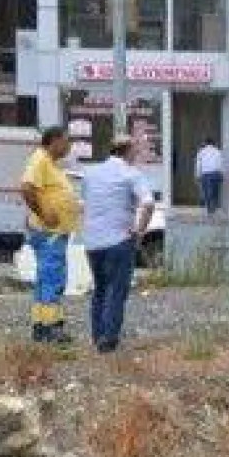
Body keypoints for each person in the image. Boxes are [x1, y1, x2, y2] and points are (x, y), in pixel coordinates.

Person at [79, 135, 156, 354]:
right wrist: (140, 230)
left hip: (93, 241)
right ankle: (109, 338)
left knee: (100, 288)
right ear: (128, 151)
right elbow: (148, 204)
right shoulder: (131, 174)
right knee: (116, 290)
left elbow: (85, 203)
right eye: (135, 151)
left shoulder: (91, 174)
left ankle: (97, 335)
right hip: (119, 239)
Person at [19, 126, 82, 344]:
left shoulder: (49, 163)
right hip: (49, 232)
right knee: (53, 278)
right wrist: (44, 213)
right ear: (54, 141)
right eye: (66, 141)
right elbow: (27, 188)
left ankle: (40, 324)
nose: (69, 146)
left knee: (45, 278)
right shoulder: (40, 160)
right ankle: (52, 327)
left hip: (52, 232)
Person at [195, 138, 225, 215]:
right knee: (215, 192)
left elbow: (198, 165)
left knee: (207, 192)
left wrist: (198, 175)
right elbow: (220, 163)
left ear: (205, 143)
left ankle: (209, 209)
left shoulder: (201, 152)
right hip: (215, 173)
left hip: (205, 174)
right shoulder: (217, 151)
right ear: (213, 143)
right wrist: (222, 174)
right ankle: (214, 207)